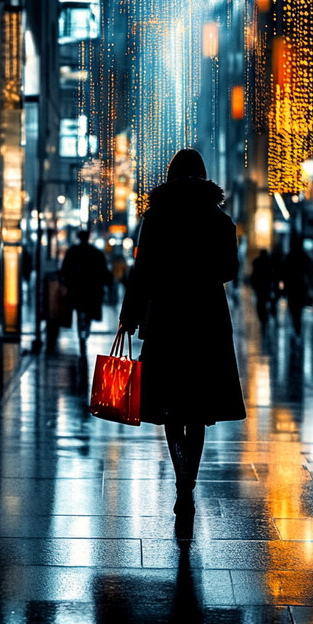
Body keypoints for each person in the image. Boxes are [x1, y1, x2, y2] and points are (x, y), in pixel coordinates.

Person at [119, 148, 246, 535]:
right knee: (198, 410)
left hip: (167, 318)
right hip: (206, 320)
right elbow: (229, 269)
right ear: (204, 177)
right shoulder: (219, 219)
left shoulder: (156, 216)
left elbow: (142, 272)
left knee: (171, 409)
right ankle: (189, 484)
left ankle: (181, 482)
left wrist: (130, 315)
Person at [60, 229, 112, 356]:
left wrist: (65, 282)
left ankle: (81, 335)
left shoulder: (72, 252)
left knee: (78, 311)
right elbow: (103, 271)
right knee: (88, 312)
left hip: (76, 289)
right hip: (91, 290)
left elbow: (65, 269)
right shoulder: (96, 253)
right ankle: (85, 332)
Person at [281, 236, 312, 337]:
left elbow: (284, 273)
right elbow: (309, 269)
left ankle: (296, 325)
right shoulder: (302, 256)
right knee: (298, 309)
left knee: (294, 308)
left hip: (292, 287)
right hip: (299, 287)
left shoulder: (289, 256)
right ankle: (297, 325)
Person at [250, 249, 274, 328]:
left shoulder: (257, 262)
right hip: (266, 287)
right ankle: (266, 317)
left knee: (261, 303)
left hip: (261, 287)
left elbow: (253, 275)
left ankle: (264, 317)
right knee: (265, 302)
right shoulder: (269, 262)